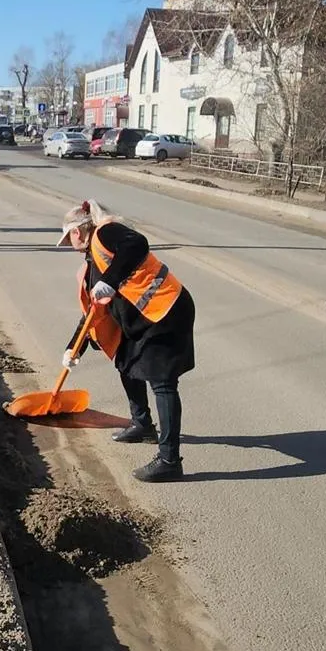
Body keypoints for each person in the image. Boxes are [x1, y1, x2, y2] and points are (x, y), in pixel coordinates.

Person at [57, 200, 196, 482]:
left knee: (162, 382)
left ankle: (169, 461)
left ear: (76, 232)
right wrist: (74, 348)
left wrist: (110, 280)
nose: (70, 245)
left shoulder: (106, 233)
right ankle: (142, 424)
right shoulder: (91, 264)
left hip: (167, 311)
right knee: (126, 360)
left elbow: (137, 244)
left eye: (68, 238)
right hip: (145, 319)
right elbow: (92, 313)